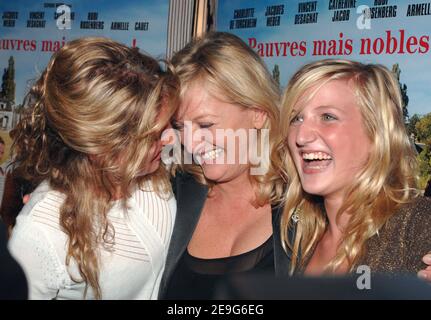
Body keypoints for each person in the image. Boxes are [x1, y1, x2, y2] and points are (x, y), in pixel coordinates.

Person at [7, 37, 177, 299]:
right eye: (153, 135)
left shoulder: (158, 166)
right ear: (100, 147)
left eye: (170, 124)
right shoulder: (41, 233)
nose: (170, 139)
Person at [158, 31, 288, 299]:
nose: (191, 144)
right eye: (181, 127)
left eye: (206, 124)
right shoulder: (172, 196)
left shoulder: (305, 207)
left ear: (258, 114)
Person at [279, 59, 431, 278]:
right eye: (296, 118)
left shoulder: (417, 224)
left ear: (375, 135)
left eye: (327, 117)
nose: (301, 136)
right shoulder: (299, 239)